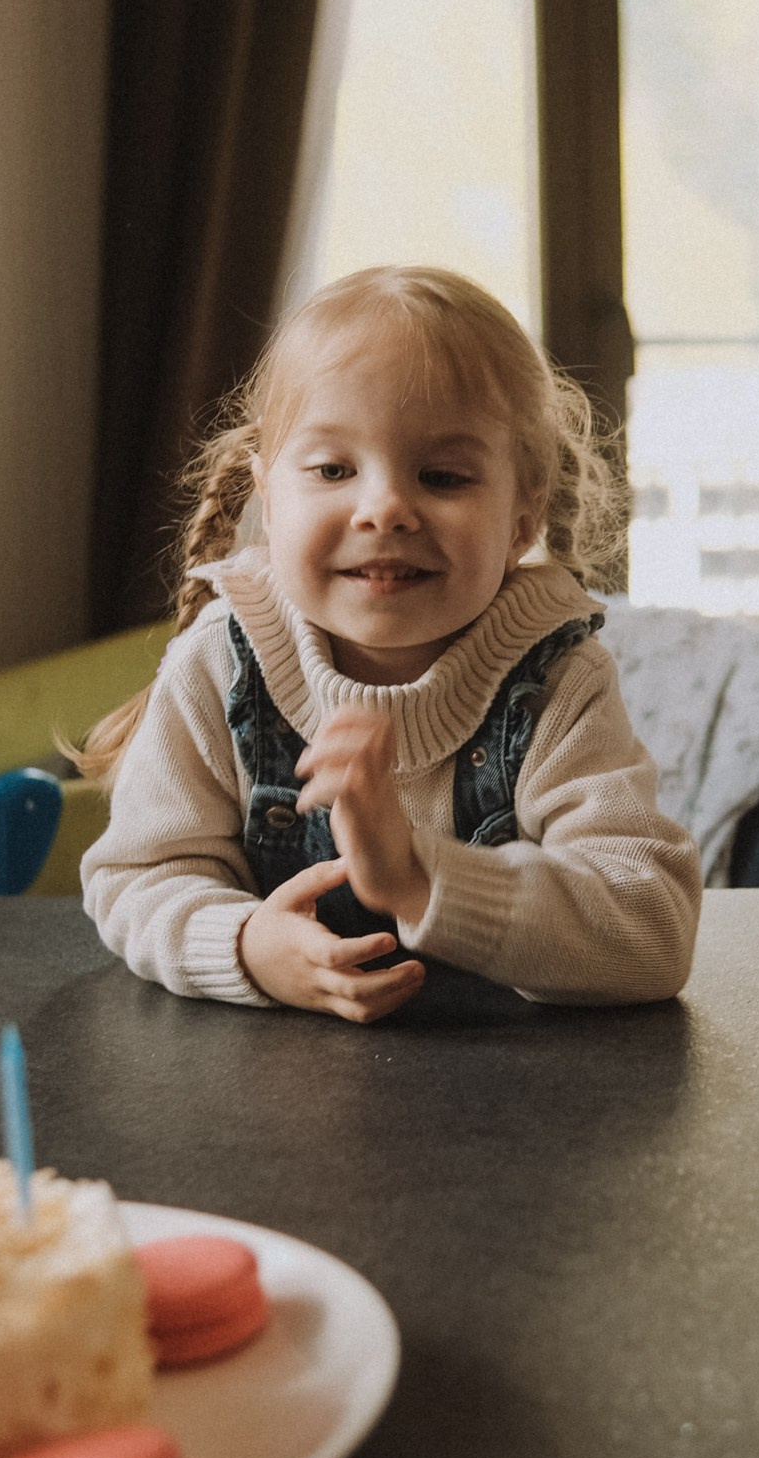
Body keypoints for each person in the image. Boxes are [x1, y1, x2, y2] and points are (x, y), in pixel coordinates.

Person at [75, 266, 702, 1021]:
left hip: (520, 1111)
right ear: (268, 500)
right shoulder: (219, 661)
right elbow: (137, 881)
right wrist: (245, 946)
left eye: (441, 475)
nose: (384, 508)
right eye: (333, 468)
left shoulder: (558, 681)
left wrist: (417, 877)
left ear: (522, 519)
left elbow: (651, 928)